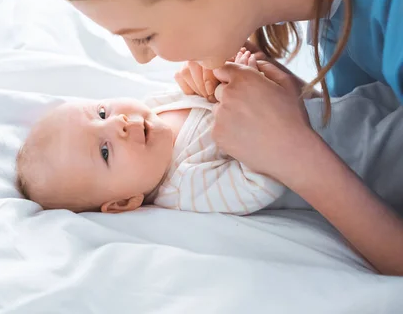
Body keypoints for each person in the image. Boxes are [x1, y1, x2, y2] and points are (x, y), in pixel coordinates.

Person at [42, 0, 403, 275]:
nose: (142, 57)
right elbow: (364, 115)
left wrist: (297, 155)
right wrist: (283, 98)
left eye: (144, 35)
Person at [17, 51, 286, 215]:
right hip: (321, 149)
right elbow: (263, 184)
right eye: (104, 152)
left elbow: (209, 89)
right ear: (123, 202)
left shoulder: (156, 107)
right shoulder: (185, 185)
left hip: (317, 103)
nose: (117, 123)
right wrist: (257, 103)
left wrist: (221, 71)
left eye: (101, 113)